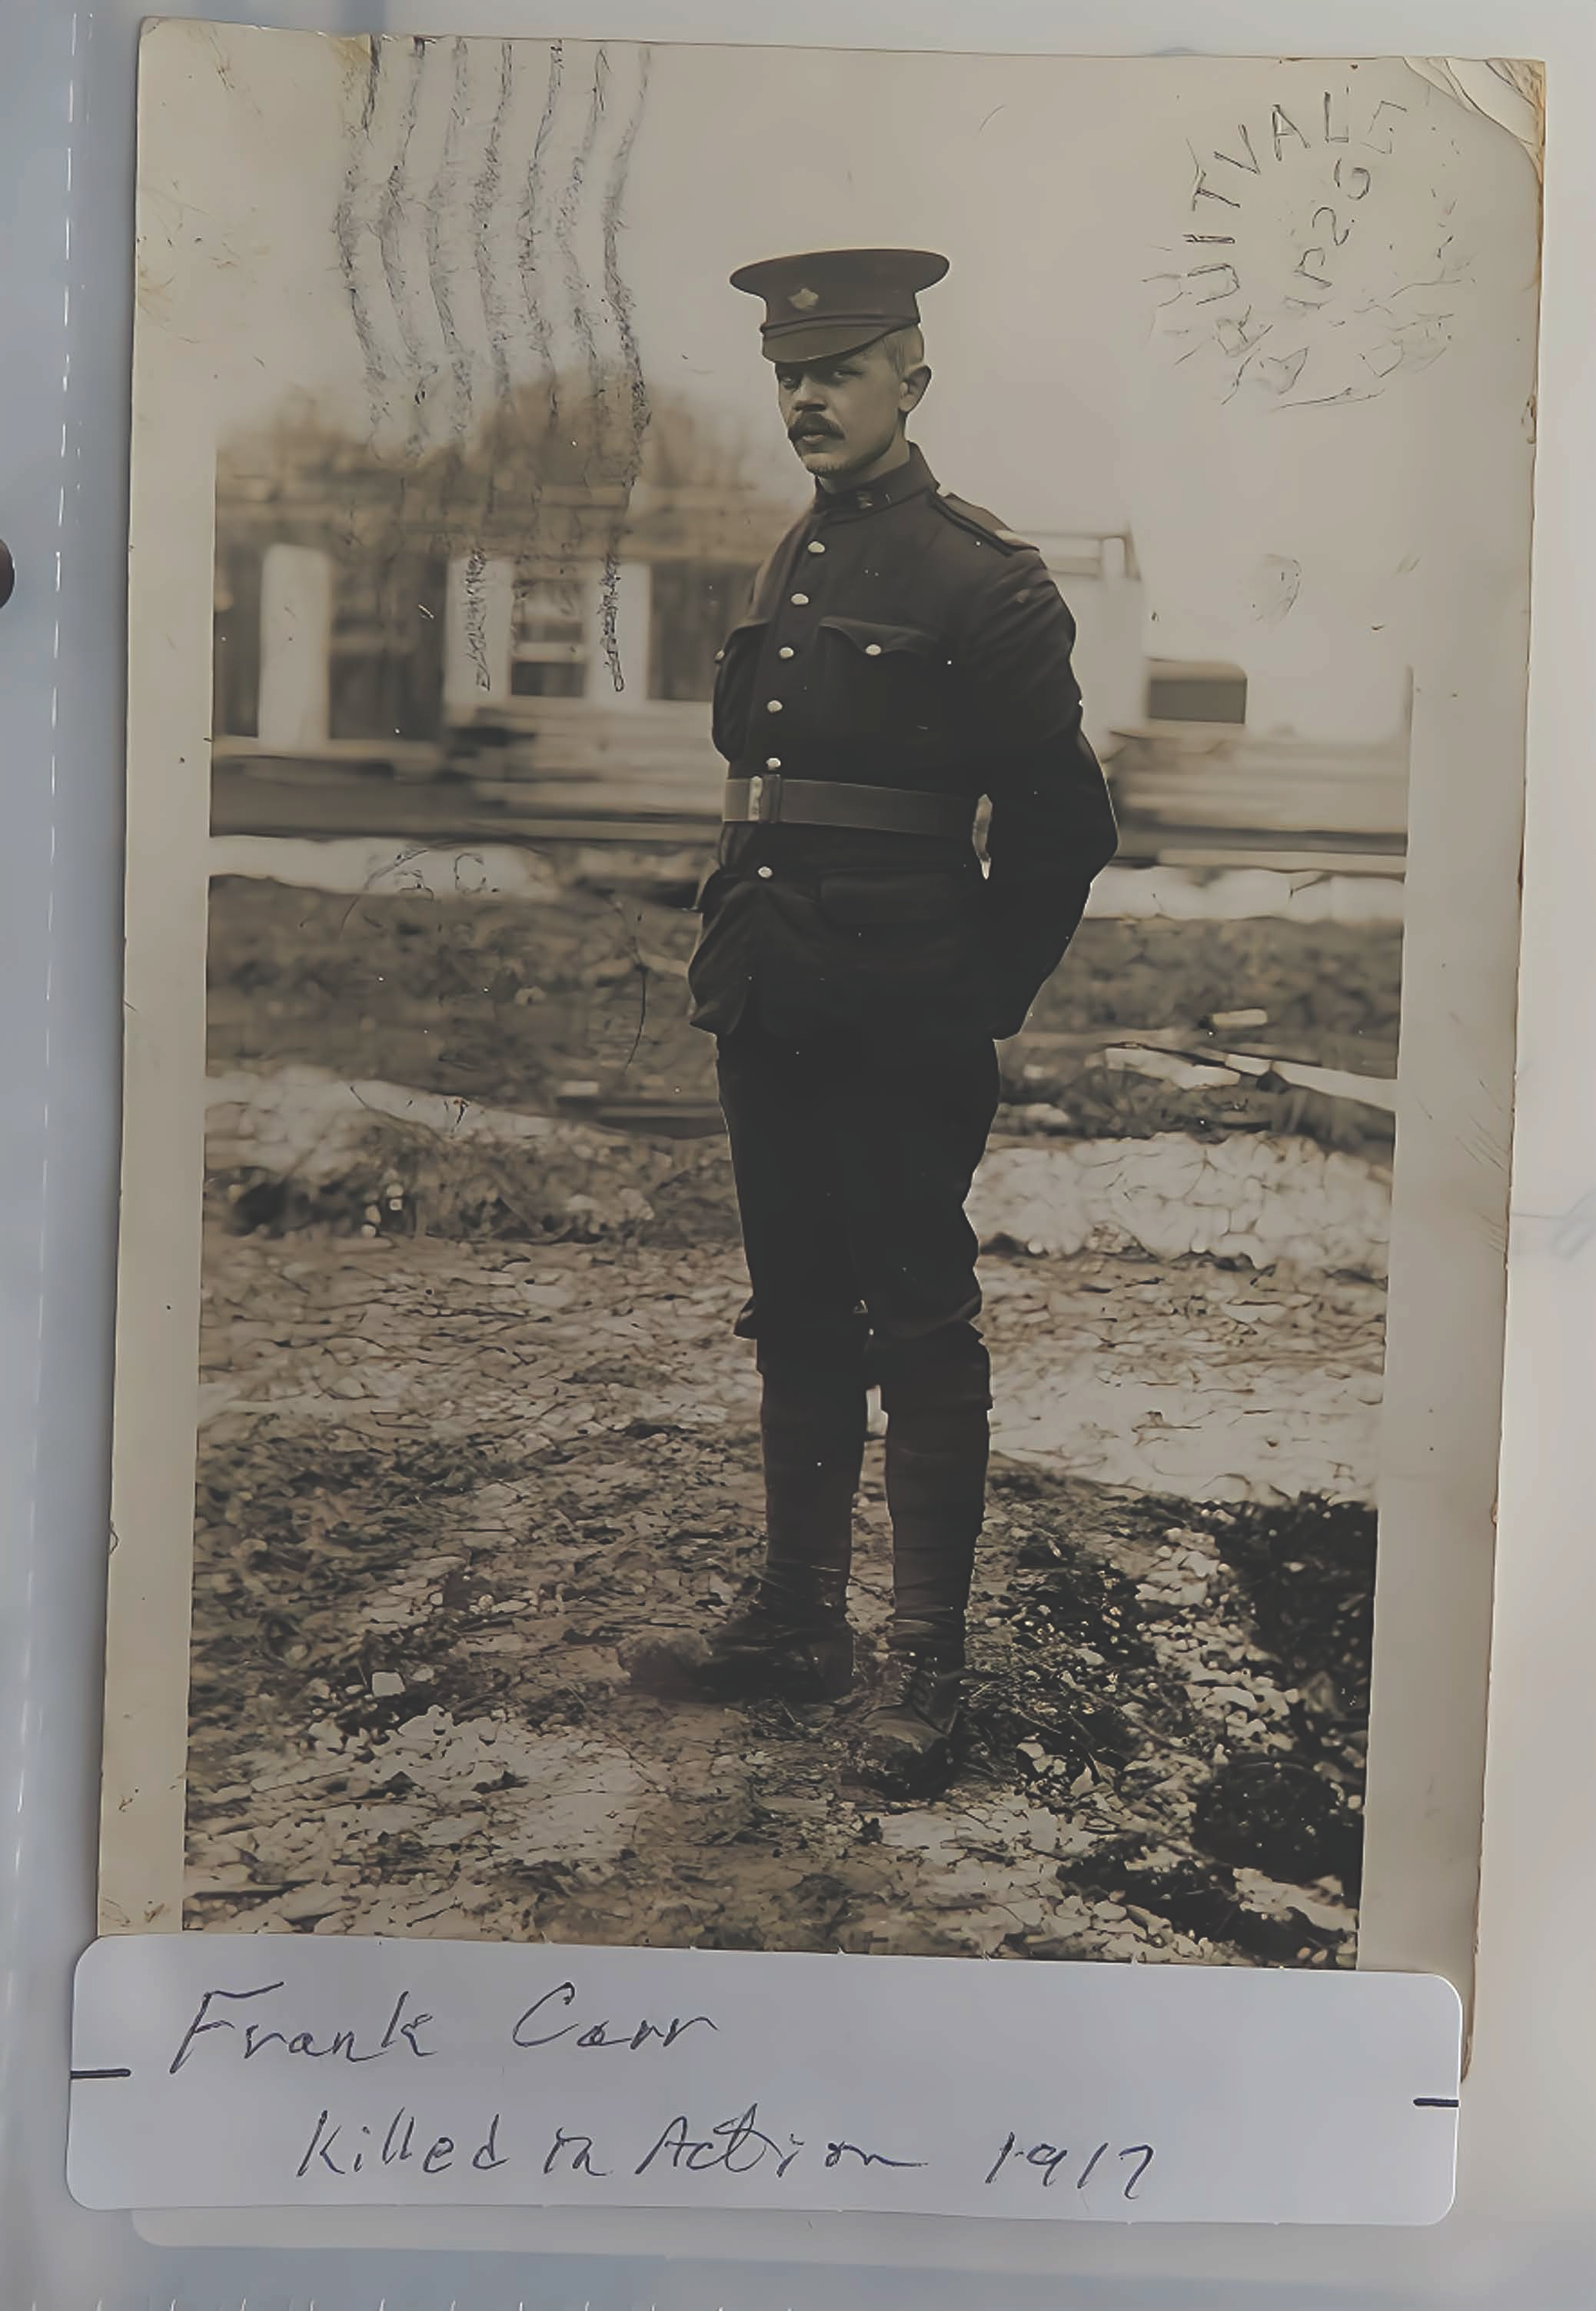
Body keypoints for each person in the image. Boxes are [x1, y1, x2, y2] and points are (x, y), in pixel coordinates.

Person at [629, 248, 1118, 1798]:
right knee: (794, 1305)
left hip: (903, 1012)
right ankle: (795, 1622)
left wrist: (980, 991)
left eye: (837, 372)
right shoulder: (798, 552)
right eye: (788, 375)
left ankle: (927, 1661)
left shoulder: (987, 579)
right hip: (767, 991)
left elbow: (1063, 826)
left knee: (916, 1314)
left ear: (912, 377)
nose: (806, 399)